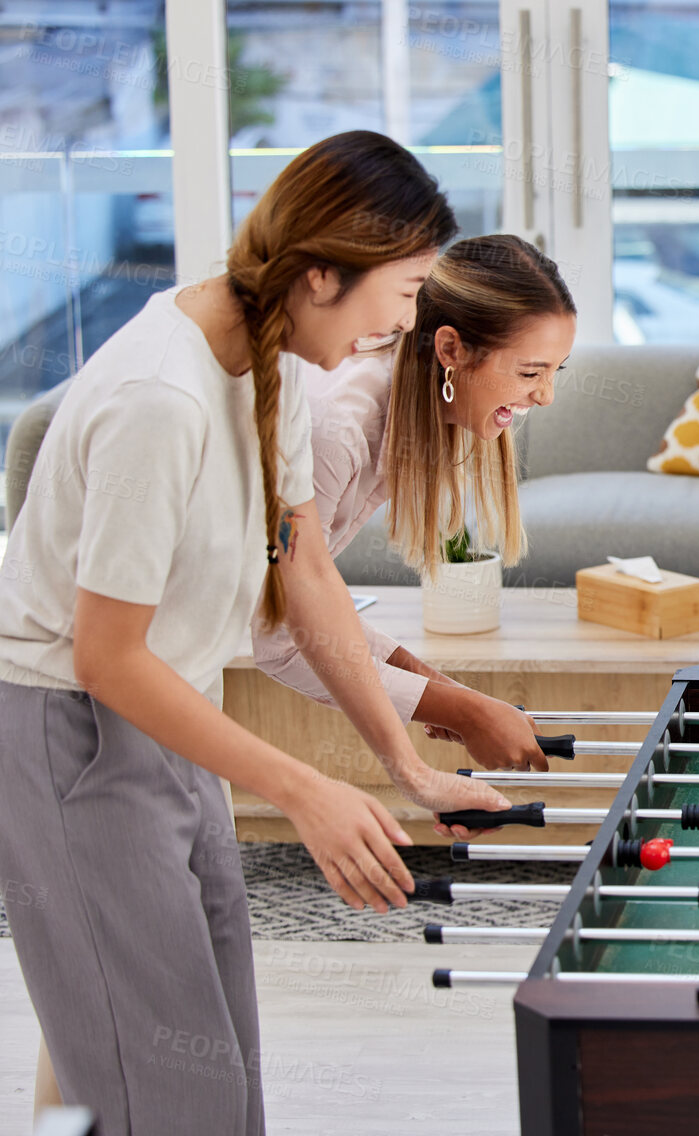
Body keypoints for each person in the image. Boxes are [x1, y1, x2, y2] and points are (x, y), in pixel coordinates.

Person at [0, 130, 509, 1135]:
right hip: (72, 729)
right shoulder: (163, 397)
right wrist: (300, 784)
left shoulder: (269, 358)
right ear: (323, 274)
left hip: (171, 713)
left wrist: (400, 761)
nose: (408, 322)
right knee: (170, 1094)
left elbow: (304, 571)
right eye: (403, 291)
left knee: (219, 1075)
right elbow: (105, 656)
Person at [253, 233, 576, 776]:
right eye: (529, 373)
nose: (545, 396)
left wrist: (442, 690)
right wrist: (462, 711)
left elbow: (316, 603)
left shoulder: (401, 413)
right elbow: (282, 637)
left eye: (553, 372)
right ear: (450, 349)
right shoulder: (338, 432)